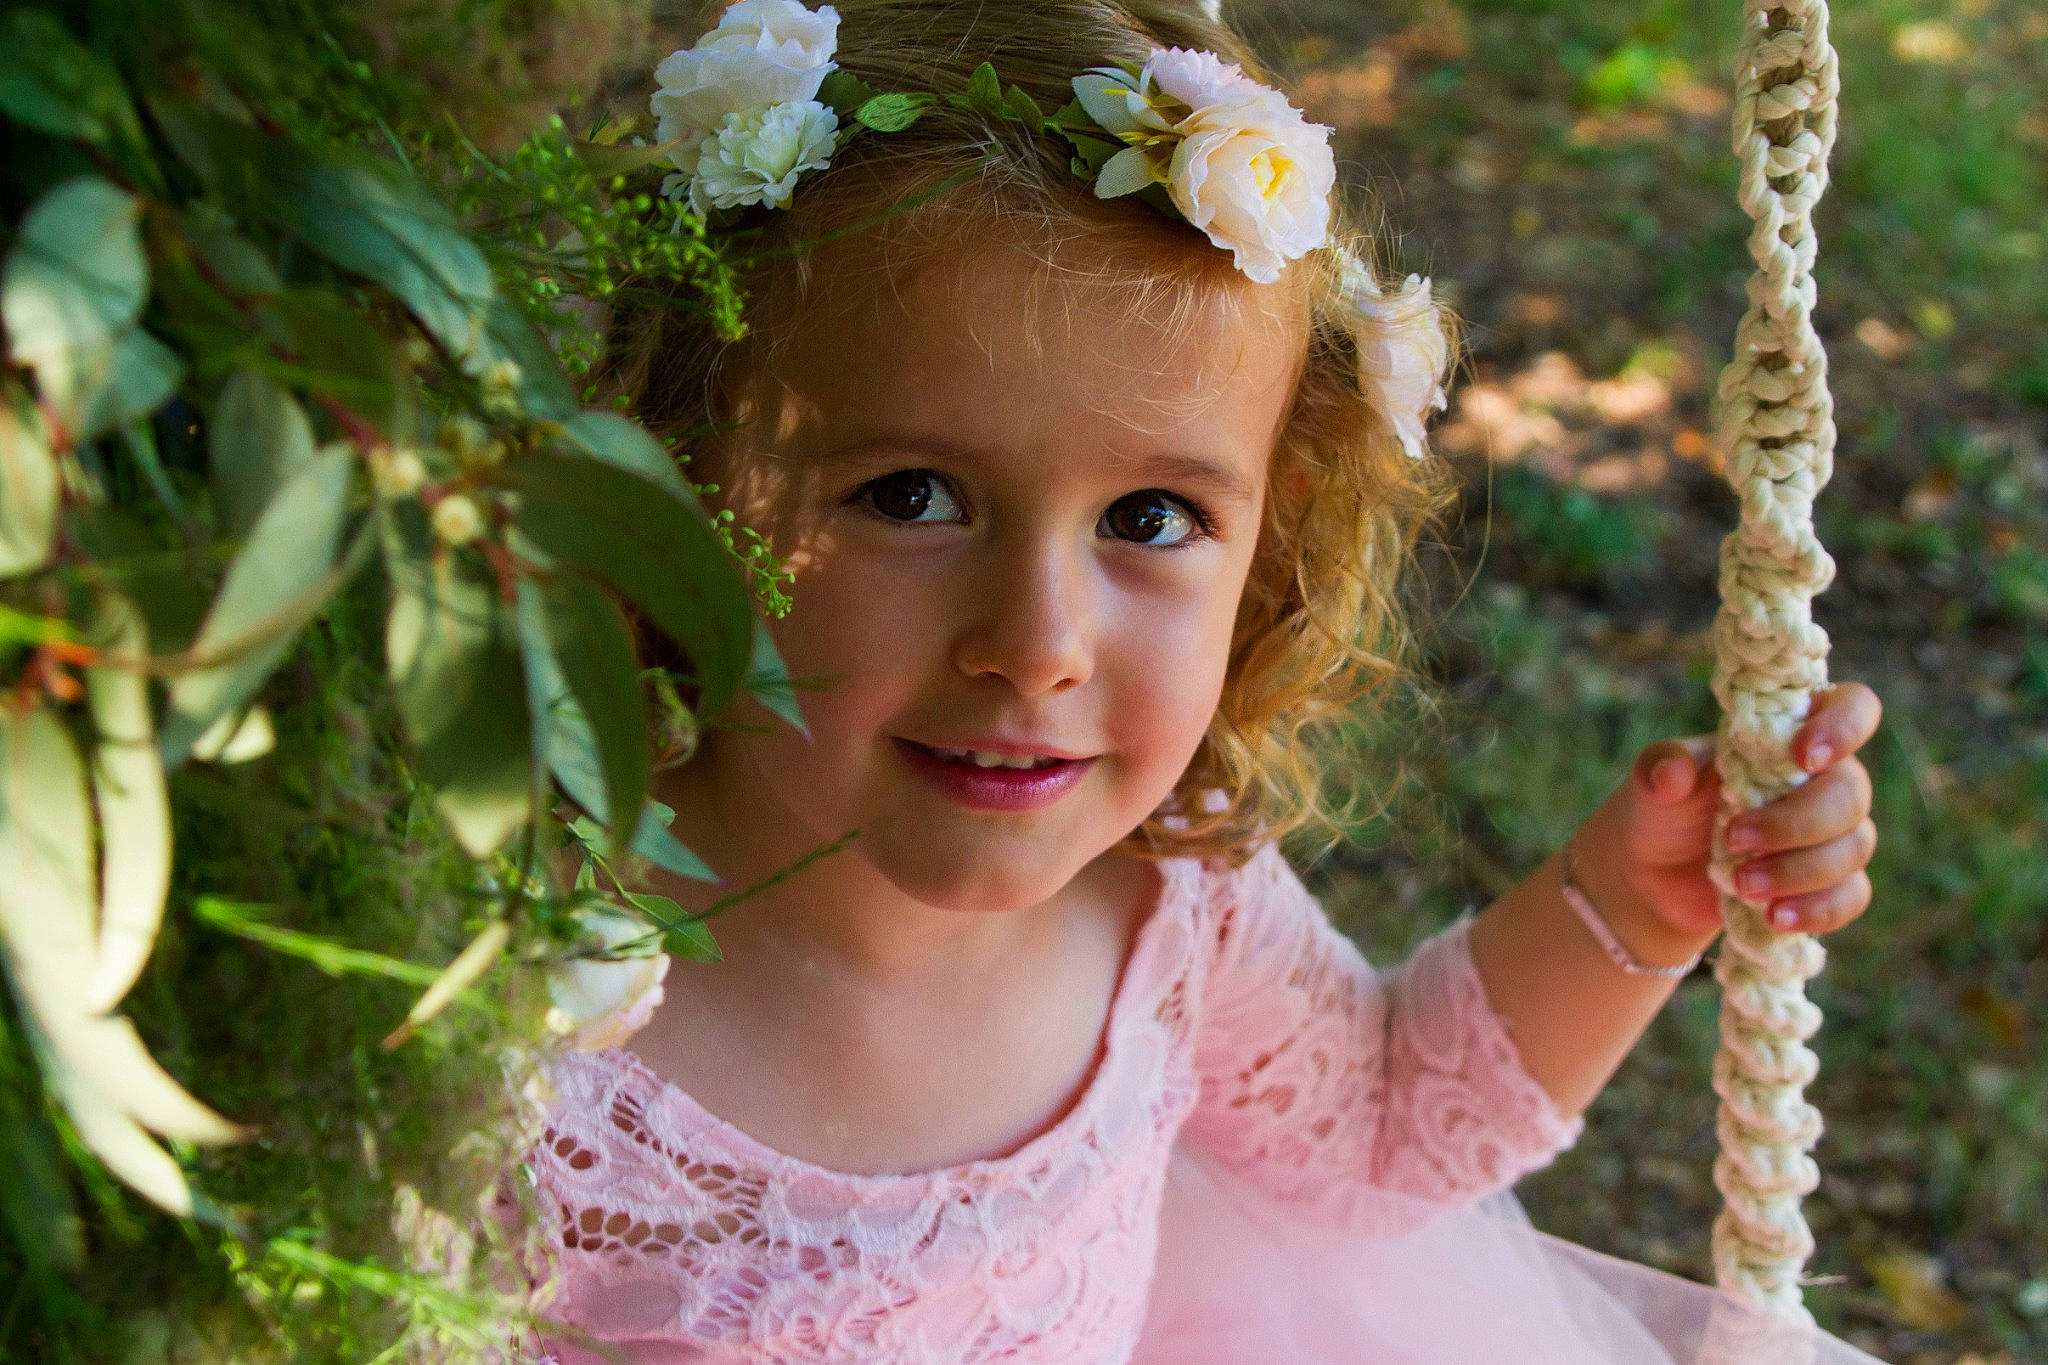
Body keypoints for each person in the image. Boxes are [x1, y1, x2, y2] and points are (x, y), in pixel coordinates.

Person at [501, 1, 1887, 1359]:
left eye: (1150, 518)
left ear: (1270, 542)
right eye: (912, 495)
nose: (1038, 641)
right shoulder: (524, 973)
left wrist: (1635, 900)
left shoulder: (1169, 901)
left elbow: (1385, 1120)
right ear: (677, 478)